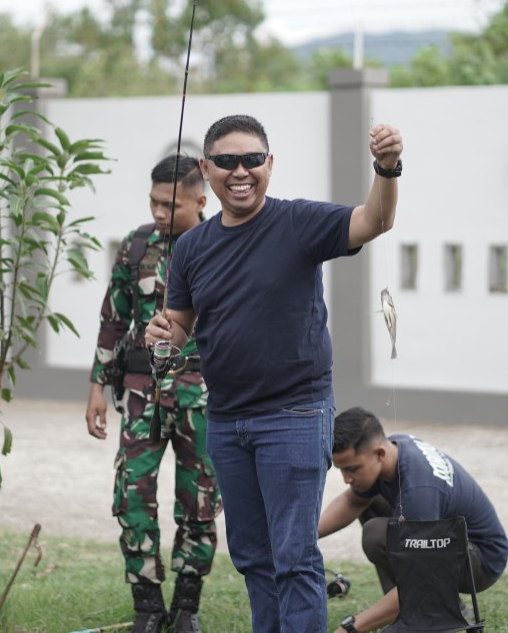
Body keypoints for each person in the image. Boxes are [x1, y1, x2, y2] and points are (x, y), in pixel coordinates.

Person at [145, 114, 402, 632]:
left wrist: (387, 167)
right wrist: (161, 338)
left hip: (295, 414)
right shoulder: (192, 247)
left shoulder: (298, 223)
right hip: (227, 420)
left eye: (252, 160)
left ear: (269, 164)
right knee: (253, 557)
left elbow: (375, 220)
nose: (240, 171)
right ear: (206, 168)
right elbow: (179, 329)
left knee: (294, 555)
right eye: (226, 161)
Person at [86, 155, 222, 633]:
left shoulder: (224, 245)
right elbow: (112, 319)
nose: (160, 212)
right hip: (142, 394)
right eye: (153, 202)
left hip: (204, 395)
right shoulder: (137, 244)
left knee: (200, 503)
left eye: (170, 204)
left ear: (201, 201)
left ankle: (187, 607)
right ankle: (147, 607)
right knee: (132, 497)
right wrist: (97, 388)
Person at [318, 407, 508, 633]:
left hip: (481, 560)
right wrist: (304, 538)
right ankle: (413, 610)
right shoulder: (394, 449)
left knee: (376, 535)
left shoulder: (418, 492)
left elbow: (421, 581)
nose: (346, 478)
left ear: (379, 454)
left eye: (352, 469)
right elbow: (353, 502)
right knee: (371, 502)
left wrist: (350, 629)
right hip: (447, 540)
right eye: (341, 469)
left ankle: (419, 614)